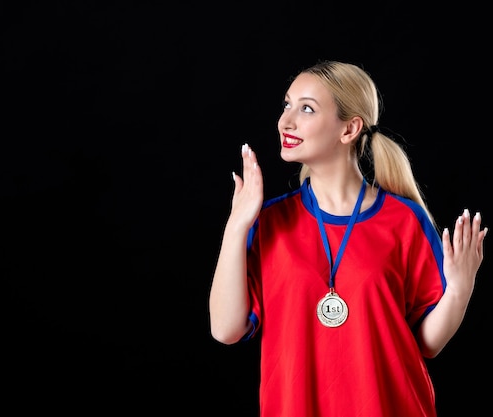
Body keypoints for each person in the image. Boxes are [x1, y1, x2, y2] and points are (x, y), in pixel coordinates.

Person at [208, 60, 487, 416]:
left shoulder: (403, 220)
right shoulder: (269, 223)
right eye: (286, 105)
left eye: (306, 108)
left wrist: (460, 290)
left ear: (349, 128)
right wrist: (236, 224)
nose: (285, 121)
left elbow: (426, 344)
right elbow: (225, 329)